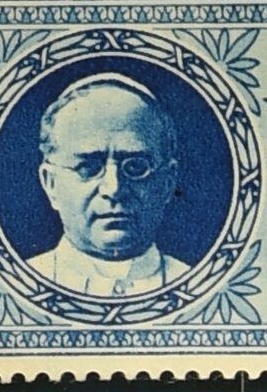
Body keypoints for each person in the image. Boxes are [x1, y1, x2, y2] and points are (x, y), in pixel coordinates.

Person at [25, 73, 197, 301]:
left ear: (167, 183)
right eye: (88, 167)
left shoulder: (201, 286)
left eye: (135, 167)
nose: (114, 189)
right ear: (51, 184)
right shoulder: (17, 284)